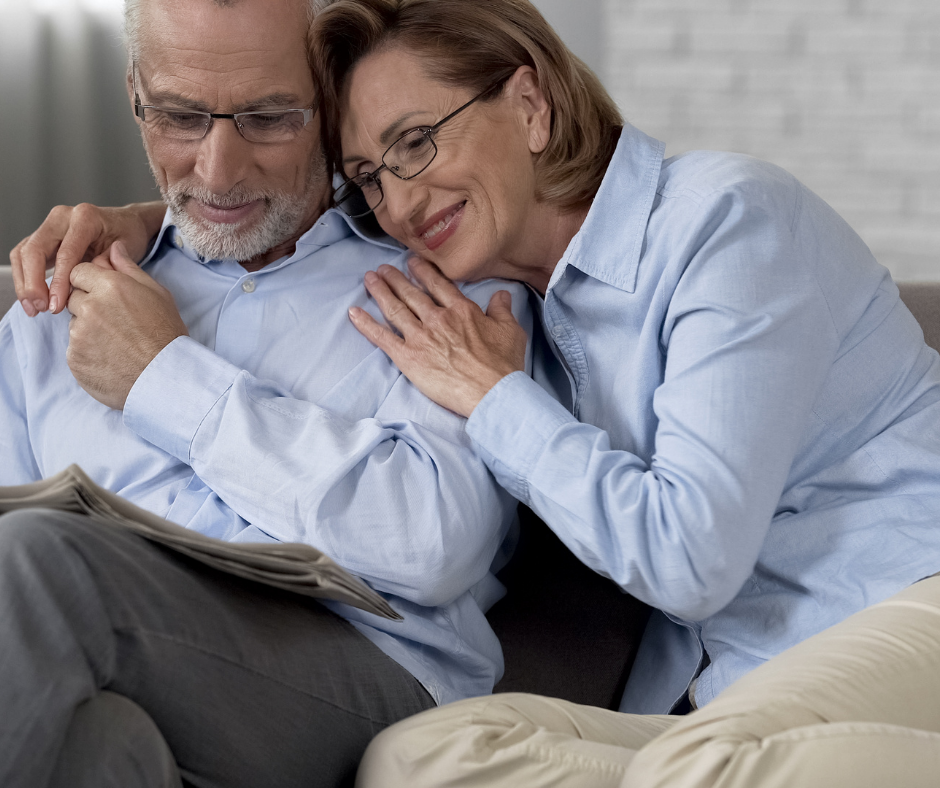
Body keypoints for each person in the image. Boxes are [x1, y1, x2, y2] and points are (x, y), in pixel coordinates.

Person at [303, 0, 940, 785]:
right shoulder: (503, 312)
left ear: (530, 107)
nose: (396, 204)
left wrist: (496, 397)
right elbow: (304, 244)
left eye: (415, 142)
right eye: (367, 176)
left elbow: (689, 562)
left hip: (909, 598)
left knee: (700, 765)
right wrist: (166, 217)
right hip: (729, 691)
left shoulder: (725, 220)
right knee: (415, 756)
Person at [0, 0, 532, 786]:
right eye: (179, 117)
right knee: (104, 750)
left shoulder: (446, 284)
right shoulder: (54, 307)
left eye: (269, 118)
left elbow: (434, 545)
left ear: (334, 105)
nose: (217, 172)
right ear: (134, 97)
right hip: (120, 666)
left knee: (36, 563)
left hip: (361, 668)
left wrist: (163, 376)